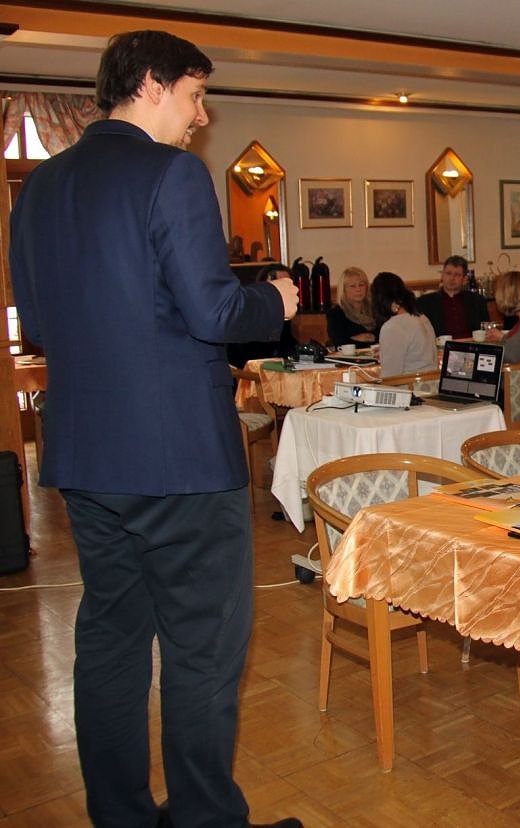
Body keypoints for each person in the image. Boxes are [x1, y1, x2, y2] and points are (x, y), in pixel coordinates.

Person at [8, 30, 301, 828]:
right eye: (196, 95)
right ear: (149, 84)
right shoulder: (172, 173)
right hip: (181, 462)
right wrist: (273, 300)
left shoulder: (40, 187)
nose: (201, 117)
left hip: (84, 456)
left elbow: (39, 325)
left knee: (110, 642)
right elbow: (213, 312)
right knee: (202, 649)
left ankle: (123, 816)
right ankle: (204, 818)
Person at [372, 271, 437, 376]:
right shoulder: (422, 317)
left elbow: (390, 376)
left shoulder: (392, 327)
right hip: (430, 382)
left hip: (409, 384)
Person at [415, 254, 489, 340]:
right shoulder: (425, 302)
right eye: (448, 273)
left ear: (464, 279)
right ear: (442, 276)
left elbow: (486, 330)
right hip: (441, 346)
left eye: (457, 275)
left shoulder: (477, 300)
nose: (452, 278)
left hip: (472, 345)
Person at [327, 265, 378, 347]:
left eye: (361, 285)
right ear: (343, 290)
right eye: (352, 286)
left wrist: (355, 339)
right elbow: (340, 343)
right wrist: (368, 340)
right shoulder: (336, 313)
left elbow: (383, 337)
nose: (358, 289)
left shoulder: (375, 309)